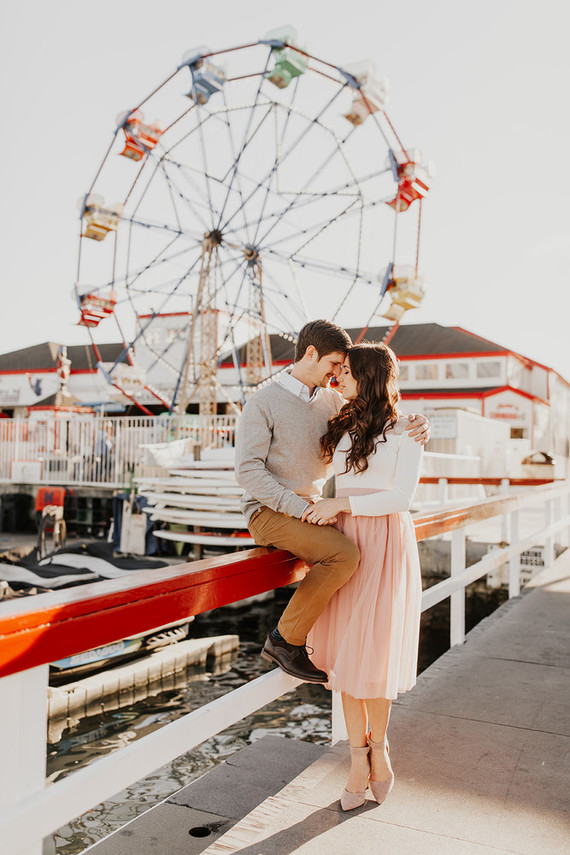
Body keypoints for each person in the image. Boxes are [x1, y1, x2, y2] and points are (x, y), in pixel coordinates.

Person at [234, 320, 429, 684]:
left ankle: (295, 641)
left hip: (311, 511)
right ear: (311, 354)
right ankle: (284, 639)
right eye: (334, 364)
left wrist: (418, 424)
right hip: (268, 510)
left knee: (345, 558)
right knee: (344, 555)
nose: (339, 374)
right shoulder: (262, 402)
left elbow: (377, 413)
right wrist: (300, 508)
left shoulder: (331, 400)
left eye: (343, 368)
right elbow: (247, 472)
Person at [304, 342, 423, 811]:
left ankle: (381, 748)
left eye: (349, 372)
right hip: (345, 542)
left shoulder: (407, 429)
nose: (339, 379)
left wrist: (342, 504)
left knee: (374, 655)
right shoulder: (341, 422)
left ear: (371, 377)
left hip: (384, 540)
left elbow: (402, 497)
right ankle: (357, 760)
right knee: (347, 660)